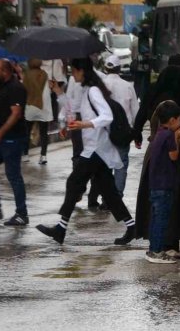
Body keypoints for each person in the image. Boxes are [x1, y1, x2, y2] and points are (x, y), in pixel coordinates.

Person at [37, 58, 136, 245]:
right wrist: (59, 92)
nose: (72, 75)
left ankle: (60, 228)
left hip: (97, 149)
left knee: (73, 182)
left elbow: (106, 116)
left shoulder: (94, 91)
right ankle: (131, 226)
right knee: (109, 191)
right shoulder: (85, 90)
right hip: (95, 148)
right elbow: (71, 110)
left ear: (82, 71)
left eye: (73, 71)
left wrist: (86, 123)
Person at [133, 56, 180, 257]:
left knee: (162, 202)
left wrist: (136, 135)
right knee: (169, 200)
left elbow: (141, 114)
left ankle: (165, 244)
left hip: (156, 154)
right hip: (169, 156)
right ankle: (165, 245)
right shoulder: (172, 102)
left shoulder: (155, 92)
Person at [87, 55, 140, 209]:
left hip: (103, 130)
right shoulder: (128, 86)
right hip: (123, 132)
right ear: (118, 69)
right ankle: (116, 198)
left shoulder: (99, 86)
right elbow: (135, 111)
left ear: (106, 68)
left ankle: (106, 197)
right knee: (121, 165)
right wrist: (136, 134)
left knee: (104, 165)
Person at [145, 101, 180, 264]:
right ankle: (157, 251)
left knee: (156, 218)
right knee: (161, 219)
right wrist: (178, 138)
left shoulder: (159, 133)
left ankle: (154, 249)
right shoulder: (168, 134)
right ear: (173, 120)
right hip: (164, 184)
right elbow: (174, 156)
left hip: (155, 184)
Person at [0, 59, 29, 226]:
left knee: (13, 175)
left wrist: (0, 132)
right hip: (0, 140)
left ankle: (22, 213)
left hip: (12, 138)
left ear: (5, 72)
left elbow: (16, 114)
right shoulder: (1, 87)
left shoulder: (16, 88)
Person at [22, 58, 53, 165]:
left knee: (26, 132)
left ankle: (25, 155)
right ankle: (43, 156)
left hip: (30, 107)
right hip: (43, 108)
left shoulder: (27, 75)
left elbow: (23, 90)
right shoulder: (45, 74)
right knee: (44, 133)